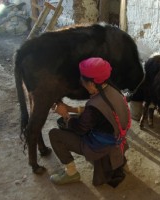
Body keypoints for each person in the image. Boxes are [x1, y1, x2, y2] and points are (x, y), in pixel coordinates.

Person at [48, 57, 131, 187]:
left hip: (102, 146)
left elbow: (81, 128)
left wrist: (65, 114)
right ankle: (121, 162)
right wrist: (71, 109)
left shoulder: (94, 107)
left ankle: (71, 173)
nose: (82, 83)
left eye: (83, 81)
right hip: (117, 137)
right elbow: (99, 113)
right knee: (74, 119)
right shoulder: (114, 90)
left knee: (54, 134)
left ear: (92, 84)